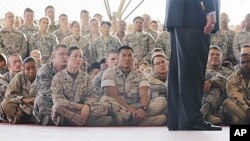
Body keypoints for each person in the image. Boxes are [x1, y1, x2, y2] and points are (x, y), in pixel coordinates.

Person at [165, 0, 221, 130]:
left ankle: (177, 119)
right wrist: (210, 9)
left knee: (178, 70)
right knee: (192, 70)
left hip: (178, 14)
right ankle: (191, 119)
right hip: (194, 13)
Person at [100, 45, 166, 126]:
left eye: (129, 55)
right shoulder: (109, 73)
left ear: (133, 58)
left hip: (137, 107)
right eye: (124, 55)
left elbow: (144, 95)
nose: (127, 58)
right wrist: (131, 110)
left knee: (162, 101)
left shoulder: (140, 74)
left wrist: (142, 109)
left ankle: (127, 121)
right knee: (105, 100)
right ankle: (139, 120)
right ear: (118, 58)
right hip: (118, 106)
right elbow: (113, 96)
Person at [51, 46, 113, 126]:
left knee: (103, 107)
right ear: (67, 58)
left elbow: (92, 95)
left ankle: (70, 121)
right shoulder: (58, 77)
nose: (78, 59)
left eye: (80, 57)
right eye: (75, 56)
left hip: (83, 111)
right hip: (67, 108)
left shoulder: (86, 77)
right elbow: (58, 99)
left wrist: (87, 105)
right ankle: (89, 122)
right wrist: (79, 107)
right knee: (57, 107)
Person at [33, 44, 67, 126]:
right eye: (61, 54)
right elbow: (46, 93)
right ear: (53, 56)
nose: (65, 57)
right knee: (41, 100)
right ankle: (50, 117)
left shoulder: (70, 70)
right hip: (52, 101)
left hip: (68, 102)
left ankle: (60, 118)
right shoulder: (44, 71)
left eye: (67, 54)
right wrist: (65, 101)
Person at [1, 57, 37, 124]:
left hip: (37, 105)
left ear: (37, 67)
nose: (31, 71)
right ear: (23, 69)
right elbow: (8, 96)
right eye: (28, 69)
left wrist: (36, 100)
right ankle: (25, 117)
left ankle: (31, 118)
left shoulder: (42, 76)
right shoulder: (19, 77)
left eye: (33, 68)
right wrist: (23, 99)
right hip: (22, 106)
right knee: (5, 104)